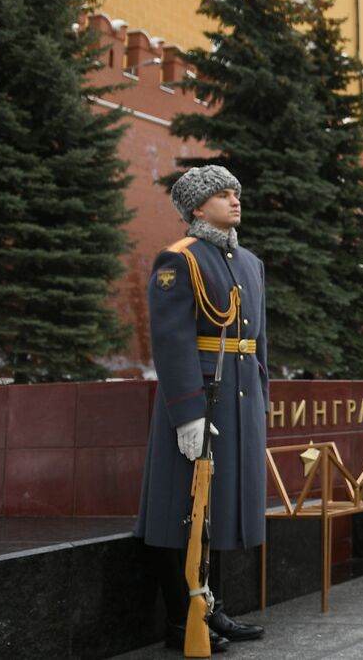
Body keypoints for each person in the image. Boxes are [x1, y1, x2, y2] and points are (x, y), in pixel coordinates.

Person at [135, 165, 267, 652]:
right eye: (223, 194)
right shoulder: (179, 259)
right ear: (197, 207)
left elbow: (257, 344)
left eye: (236, 192)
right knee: (181, 511)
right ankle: (181, 618)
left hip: (239, 402)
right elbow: (172, 343)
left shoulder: (249, 261)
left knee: (220, 509)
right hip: (200, 400)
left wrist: (261, 399)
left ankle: (214, 610)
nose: (235, 200)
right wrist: (187, 413)